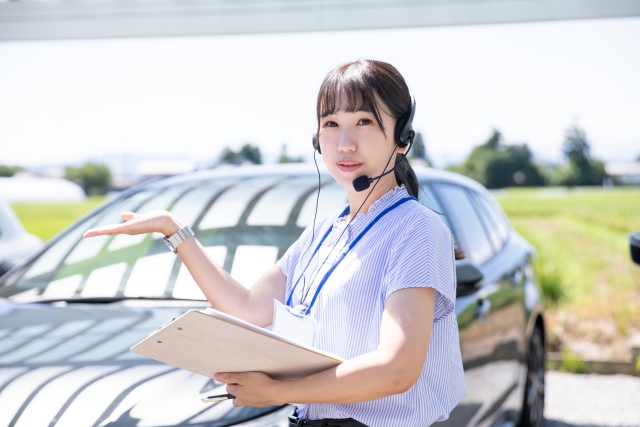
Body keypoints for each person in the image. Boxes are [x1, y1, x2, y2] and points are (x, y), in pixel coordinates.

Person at [84, 59, 465, 427]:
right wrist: (175, 231)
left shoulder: (416, 229)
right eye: (331, 123)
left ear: (401, 138)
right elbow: (247, 308)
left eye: (364, 121)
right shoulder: (321, 235)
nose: (344, 143)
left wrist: (277, 390)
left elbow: (396, 370)